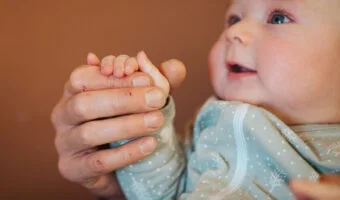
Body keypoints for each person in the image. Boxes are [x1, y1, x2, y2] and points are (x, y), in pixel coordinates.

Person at [51, 0, 340, 199]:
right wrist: (142, 115)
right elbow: (161, 191)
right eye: (233, 19)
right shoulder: (212, 125)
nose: (234, 32)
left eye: (278, 17)